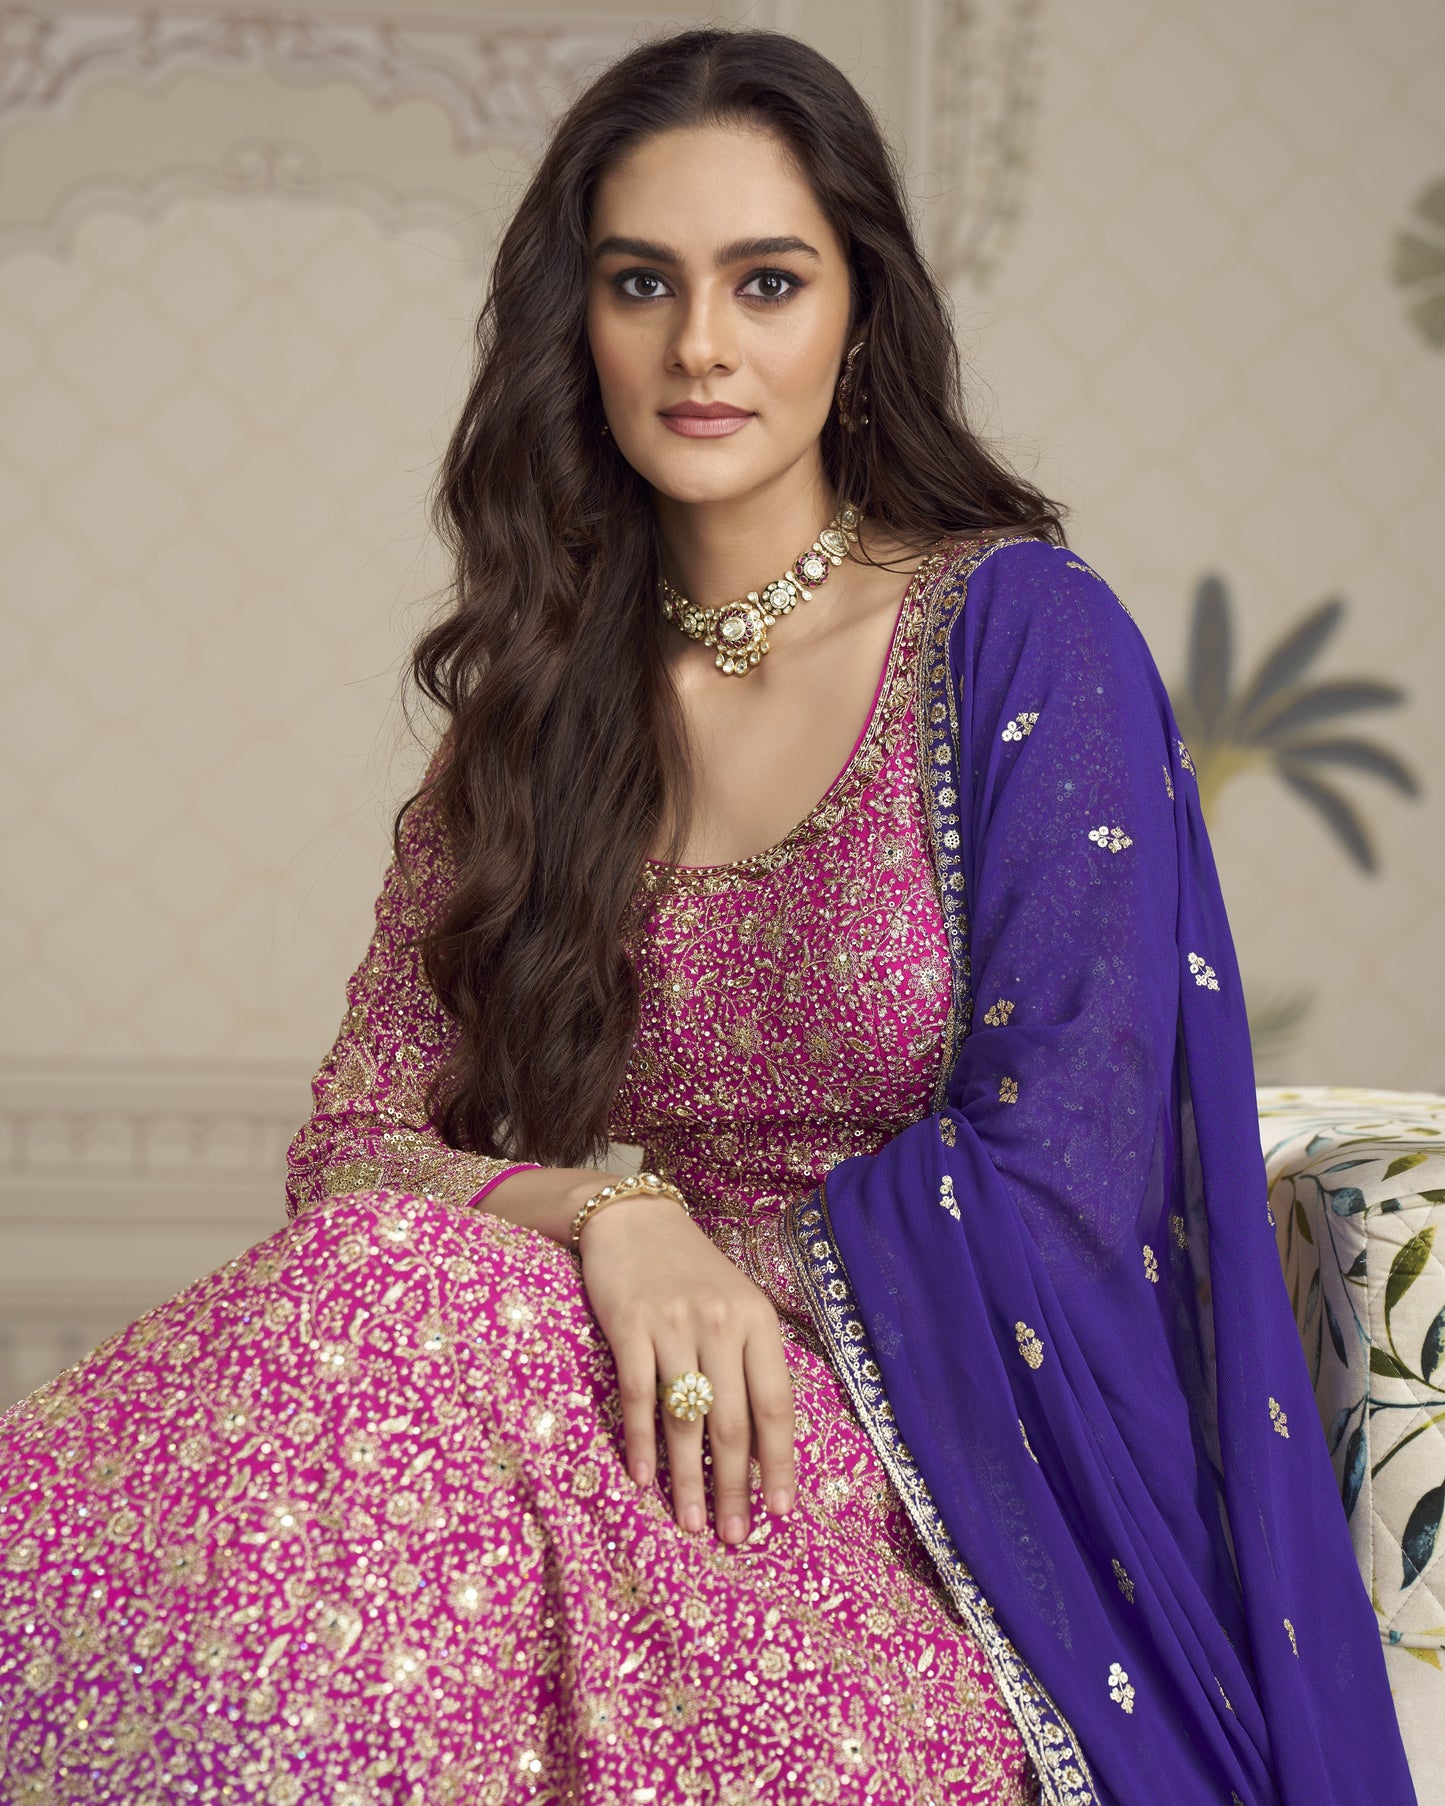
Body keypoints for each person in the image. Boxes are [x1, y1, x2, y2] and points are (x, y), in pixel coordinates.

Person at [0, 25, 1415, 1806]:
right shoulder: (532, 710)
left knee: (406, 1337)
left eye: (765, 280)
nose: (700, 346)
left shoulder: (1017, 642)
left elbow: (1065, 1170)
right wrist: (614, 1224)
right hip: (595, 1426)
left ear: (859, 315)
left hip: (933, 1520)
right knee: (377, 1337)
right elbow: (356, 1149)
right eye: (638, 284)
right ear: (571, 326)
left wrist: (722, 1287)